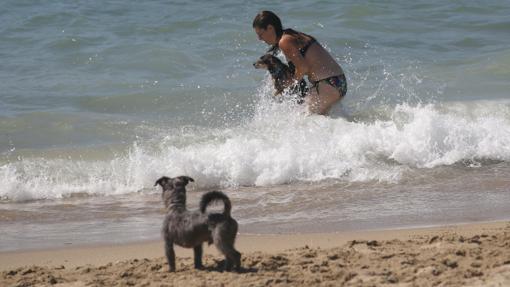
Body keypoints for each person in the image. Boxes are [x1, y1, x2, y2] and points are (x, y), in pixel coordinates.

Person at [253, 11, 347, 115]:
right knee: (319, 121)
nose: (259, 39)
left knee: (304, 119)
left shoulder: (285, 41)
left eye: (260, 34)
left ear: (270, 28)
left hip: (328, 84)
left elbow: (303, 68)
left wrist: (291, 82)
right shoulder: (291, 35)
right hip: (337, 82)